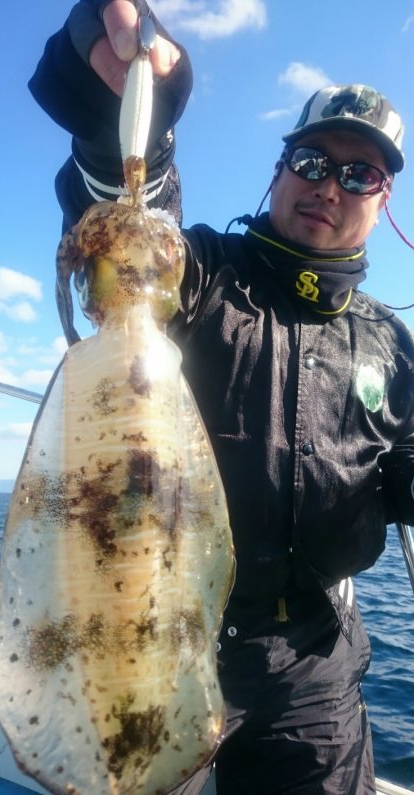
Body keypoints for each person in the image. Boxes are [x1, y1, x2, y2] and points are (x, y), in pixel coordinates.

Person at [29, 2, 414, 793]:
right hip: (158, 634)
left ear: (383, 201)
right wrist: (127, 121)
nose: (328, 187)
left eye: (359, 174)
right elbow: (132, 227)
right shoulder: (200, 272)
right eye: (311, 161)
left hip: (313, 658)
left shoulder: (394, 346)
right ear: (277, 168)